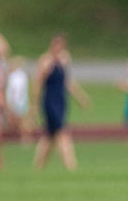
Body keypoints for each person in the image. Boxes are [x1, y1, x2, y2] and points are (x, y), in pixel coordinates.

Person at [32, 35, 91, 171]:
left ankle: (38, 167)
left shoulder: (65, 59)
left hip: (61, 100)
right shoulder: (45, 61)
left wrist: (80, 97)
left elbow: (68, 81)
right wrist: (34, 105)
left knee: (49, 136)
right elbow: (38, 83)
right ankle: (71, 166)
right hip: (49, 100)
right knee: (62, 132)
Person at [5, 55, 33, 145]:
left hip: (17, 101)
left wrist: (12, 102)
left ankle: (26, 139)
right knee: (17, 120)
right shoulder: (22, 75)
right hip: (22, 100)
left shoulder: (15, 76)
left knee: (21, 121)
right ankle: (22, 138)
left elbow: (15, 89)